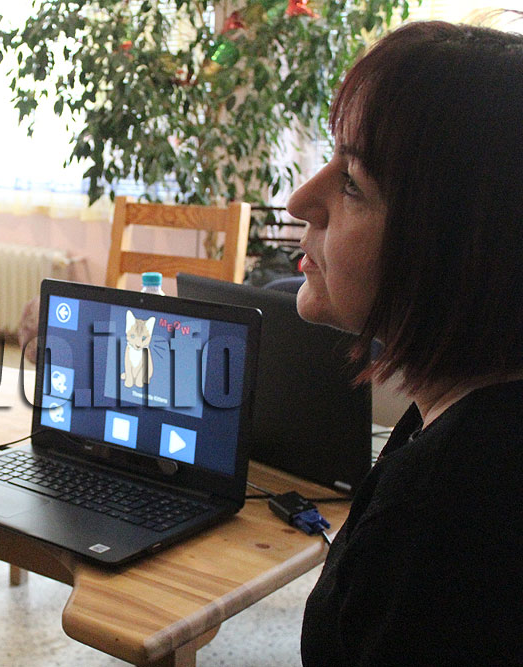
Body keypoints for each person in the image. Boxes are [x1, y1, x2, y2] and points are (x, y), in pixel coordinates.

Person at [286, 20, 523, 665]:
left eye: (353, 183)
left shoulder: (450, 523)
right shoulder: (454, 423)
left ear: (455, 246)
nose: (300, 199)